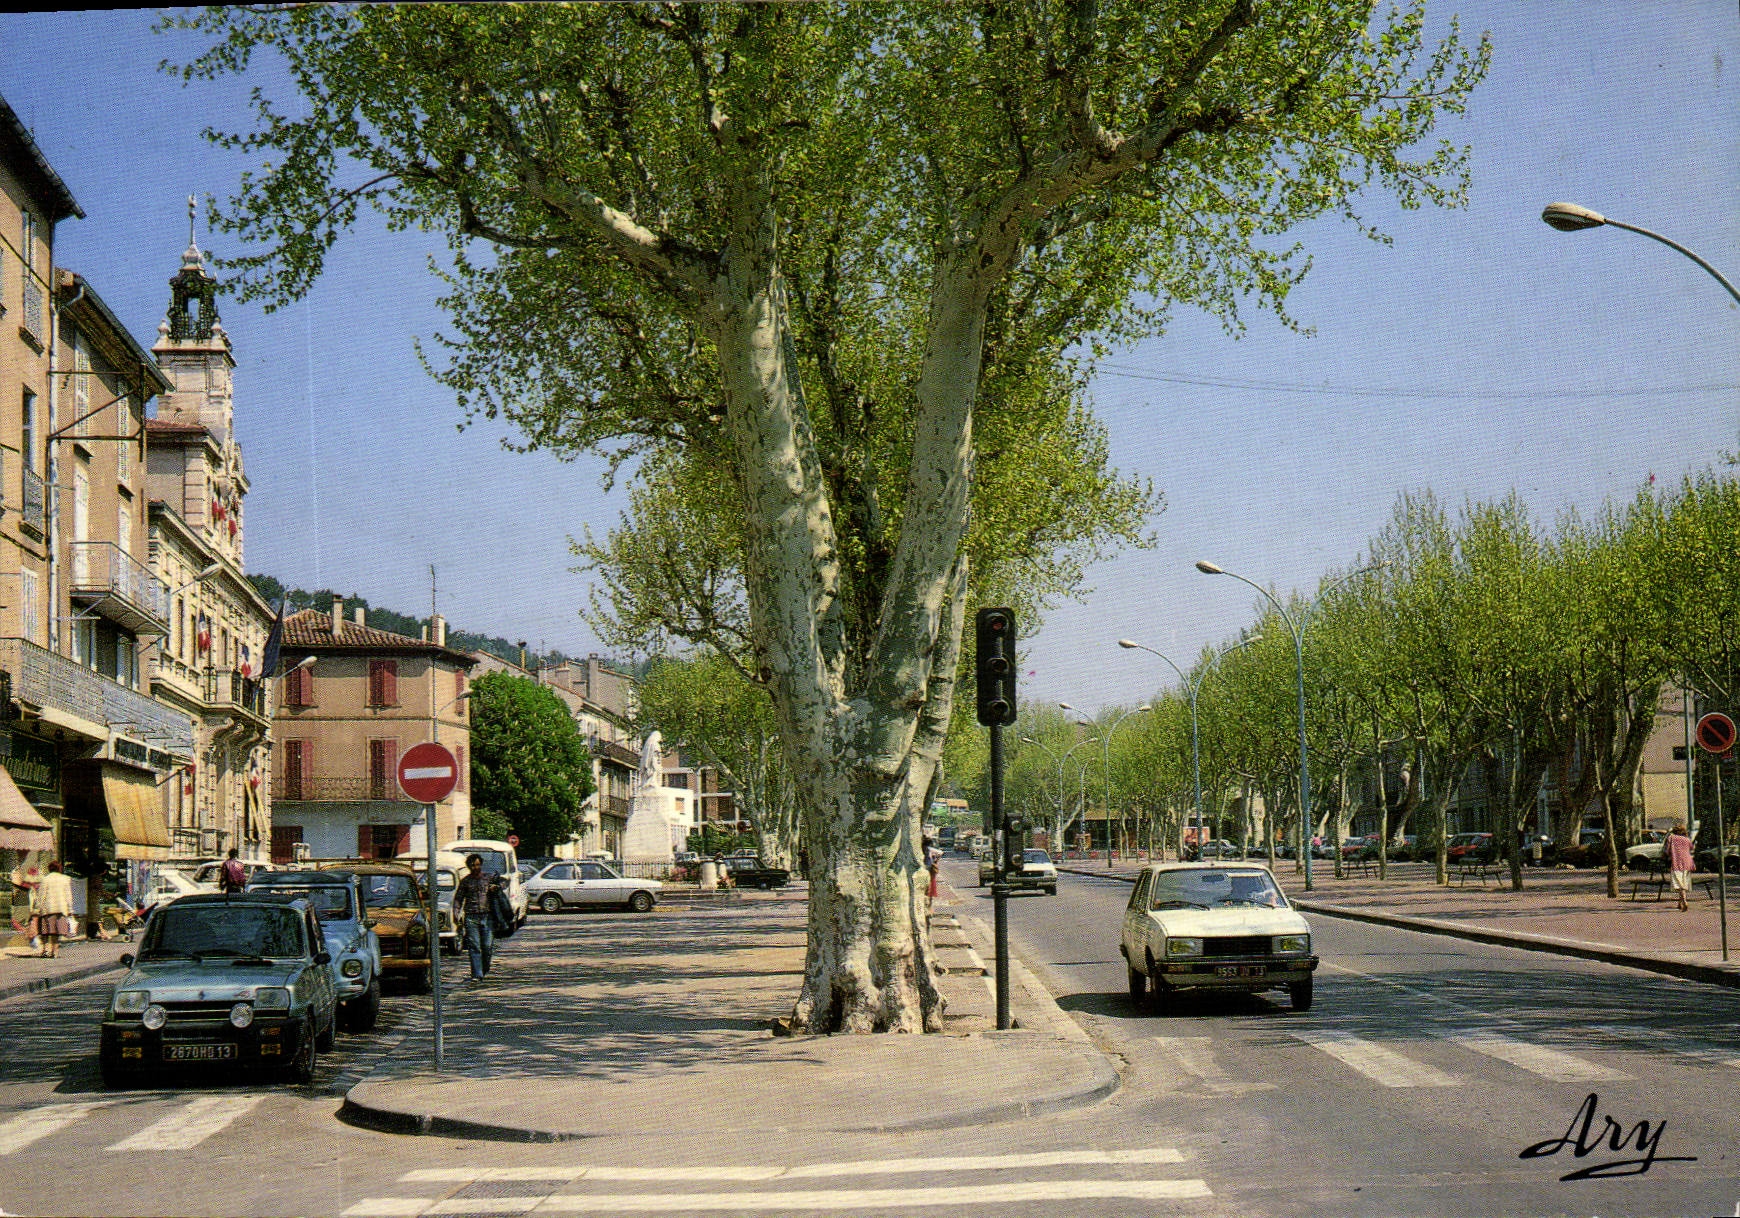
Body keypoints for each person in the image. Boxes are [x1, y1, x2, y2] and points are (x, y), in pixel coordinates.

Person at [454, 853, 499, 981]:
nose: (475, 867)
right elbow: (458, 899)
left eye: (478, 865)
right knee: (474, 946)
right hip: (471, 917)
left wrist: (495, 888)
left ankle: (484, 968)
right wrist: (456, 914)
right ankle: (477, 974)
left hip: (487, 916)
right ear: (469, 866)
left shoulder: (488, 878)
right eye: (473, 865)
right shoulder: (465, 882)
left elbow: (499, 890)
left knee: (487, 946)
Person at [33, 861, 75, 959]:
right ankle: (55, 952)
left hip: (48, 909)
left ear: (49, 869)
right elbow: (68, 896)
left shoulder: (45, 879)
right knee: (56, 932)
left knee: (46, 931)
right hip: (61, 909)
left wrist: (38, 909)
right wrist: (70, 909)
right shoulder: (65, 879)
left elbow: (41, 896)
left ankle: (46, 950)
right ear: (59, 868)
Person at [1665, 823, 1695, 912]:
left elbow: (1667, 851)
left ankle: (1684, 901)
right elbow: (1692, 848)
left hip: (1676, 863)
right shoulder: (1687, 839)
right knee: (1684, 883)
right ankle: (1679, 902)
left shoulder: (1671, 838)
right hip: (1687, 863)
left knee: (1679, 884)